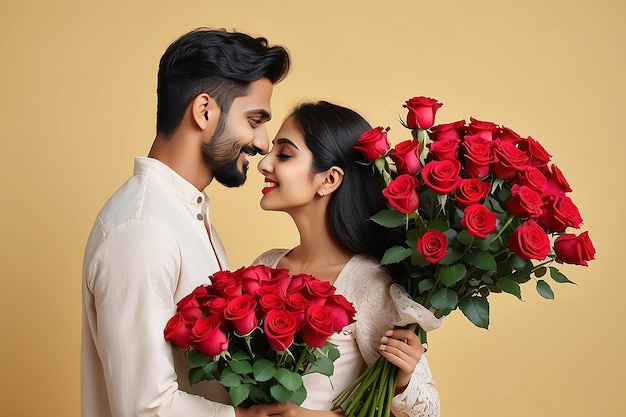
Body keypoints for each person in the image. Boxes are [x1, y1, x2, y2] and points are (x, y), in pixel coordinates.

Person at [81, 28, 290, 417]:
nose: (263, 143)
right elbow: (143, 407)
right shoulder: (143, 229)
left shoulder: (184, 214)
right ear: (204, 111)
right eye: (255, 120)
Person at [254, 101, 441, 417]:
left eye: (284, 154)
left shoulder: (369, 285)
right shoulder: (264, 266)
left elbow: (428, 412)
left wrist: (403, 380)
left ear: (329, 179)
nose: (264, 163)